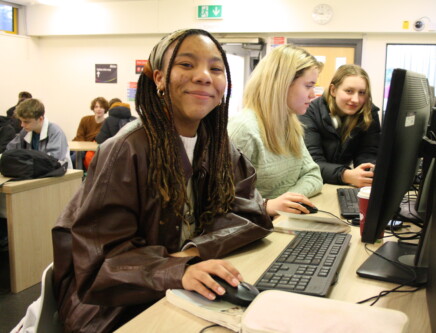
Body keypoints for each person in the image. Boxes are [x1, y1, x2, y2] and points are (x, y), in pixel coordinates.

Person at [51, 29, 273, 332]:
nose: (204, 76)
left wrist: (193, 252)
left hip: (186, 287)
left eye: (216, 68)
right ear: (159, 78)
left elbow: (251, 212)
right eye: (186, 64)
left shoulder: (220, 145)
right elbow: (99, 265)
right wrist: (176, 269)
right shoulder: (125, 150)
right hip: (116, 309)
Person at [228, 44, 323, 217]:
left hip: (281, 220)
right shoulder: (244, 130)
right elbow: (222, 200)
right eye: (308, 86)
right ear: (282, 84)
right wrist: (267, 205)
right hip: (254, 228)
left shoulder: (290, 124)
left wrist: (288, 202)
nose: (313, 95)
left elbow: (313, 174)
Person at [299, 64, 381, 188]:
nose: (356, 99)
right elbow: (312, 163)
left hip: (339, 182)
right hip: (312, 182)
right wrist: (346, 175)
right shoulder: (310, 112)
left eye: (362, 93)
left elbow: (368, 152)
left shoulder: (368, 113)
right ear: (333, 90)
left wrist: (368, 172)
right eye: (349, 91)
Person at [6, 98, 72, 168]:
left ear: (40, 119)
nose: (22, 125)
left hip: (60, 175)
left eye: (26, 122)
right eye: (21, 121)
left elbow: (53, 161)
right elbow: (10, 151)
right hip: (37, 172)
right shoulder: (25, 131)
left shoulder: (55, 132)